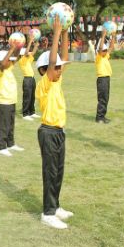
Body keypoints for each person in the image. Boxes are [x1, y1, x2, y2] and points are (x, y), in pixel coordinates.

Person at [35, 16, 72, 230]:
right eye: (56, 68)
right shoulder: (45, 83)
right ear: (44, 70)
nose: (59, 70)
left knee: (58, 171)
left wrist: (65, 32)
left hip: (59, 132)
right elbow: (53, 62)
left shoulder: (56, 81)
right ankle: (47, 213)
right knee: (50, 173)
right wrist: (56, 33)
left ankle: (55, 206)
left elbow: (63, 57)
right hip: (48, 132)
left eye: (59, 68)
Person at [0, 44, 23, 156]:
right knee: (4, 125)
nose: (11, 62)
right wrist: (11, 50)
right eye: (8, 60)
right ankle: (2, 147)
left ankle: (10, 143)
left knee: (11, 124)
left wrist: (18, 47)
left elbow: (16, 58)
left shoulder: (9, 68)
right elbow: (3, 64)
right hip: (4, 102)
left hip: (11, 101)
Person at [94, 29, 115, 123]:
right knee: (102, 98)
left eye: (106, 50)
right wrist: (103, 36)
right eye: (104, 50)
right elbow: (100, 48)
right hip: (102, 79)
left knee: (105, 98)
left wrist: (113, 36)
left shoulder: (105, 56)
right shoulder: (98, 57)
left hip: (106, 79)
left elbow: (111, 47)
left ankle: (102, 116)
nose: (105, 51)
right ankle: (99, 117)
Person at [18, 36, 39, 121]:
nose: (28, 54)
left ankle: (32, 112)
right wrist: (30, 41)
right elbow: (27, 52)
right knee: (27, 97)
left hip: (32, 79)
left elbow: (32, 53)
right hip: (27, 80)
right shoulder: (22, 60)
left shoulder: (27, 59)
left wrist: (36, 45)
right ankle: (25, 114)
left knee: (32, 96)